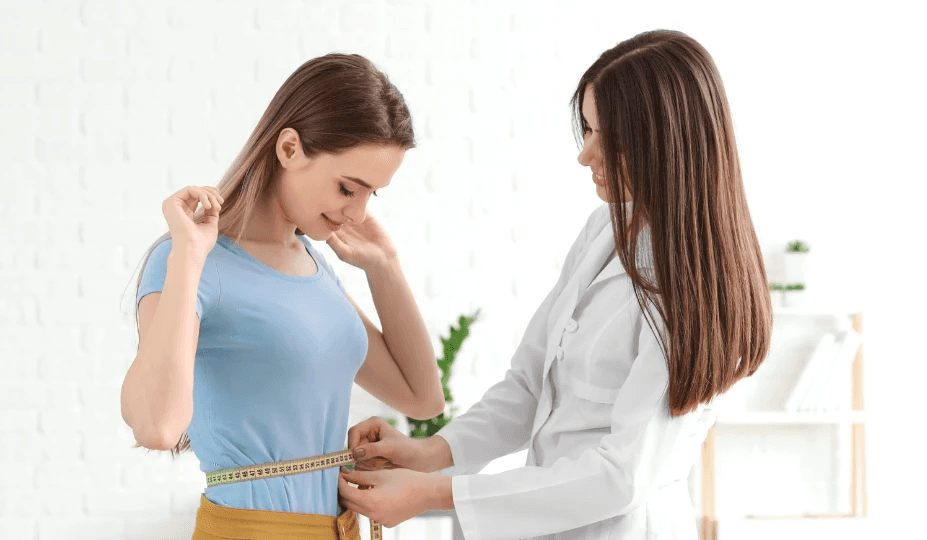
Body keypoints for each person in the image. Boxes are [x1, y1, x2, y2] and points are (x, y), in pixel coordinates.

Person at [337, 29, 774, 539]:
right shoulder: (603, 231)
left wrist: (434, 493)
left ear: (665, 140)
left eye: (608, 138)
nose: (585, 155)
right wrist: (432, 453)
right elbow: (528, 385)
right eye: (586, 130)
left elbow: (619, 477)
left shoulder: (692, 289)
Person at [120, 53, 445, 540]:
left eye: (370, 195)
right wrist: (189, 253)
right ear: (289, 148)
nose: (355, 214)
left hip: (340, 528)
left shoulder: (314, 266)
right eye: (346, 188)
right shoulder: (188, 260)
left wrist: (386, 267)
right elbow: (157, 427)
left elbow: (422, 399)